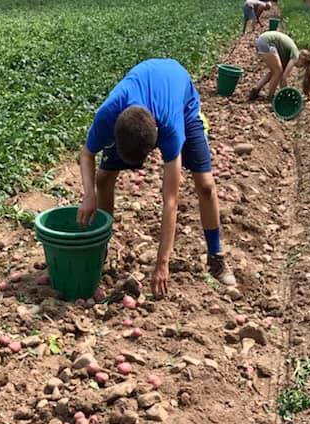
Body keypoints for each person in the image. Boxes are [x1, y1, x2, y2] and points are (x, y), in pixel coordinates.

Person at [77, 58, 236, 296]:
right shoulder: (108, 114)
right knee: (103, 178)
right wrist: (89, 195)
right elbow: (87, 155)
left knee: (205, 185)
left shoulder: (171, 127)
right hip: (142, 93)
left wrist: (162, 263)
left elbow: (171, 200)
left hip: (182, 98)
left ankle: (216, 258)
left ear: (156, 144)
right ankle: (102, 249)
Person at [249, 31, 310, 101]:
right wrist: (286, 95)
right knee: (278, 71)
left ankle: (255, 91)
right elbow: (284, 78)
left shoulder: (288, 54)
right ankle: (271, 97)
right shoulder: (296, 55)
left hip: (262, 40)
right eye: (301, 65)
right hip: (266, 42)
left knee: (274, 72)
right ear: (302, 59)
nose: (298, 67)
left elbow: (280, 78)